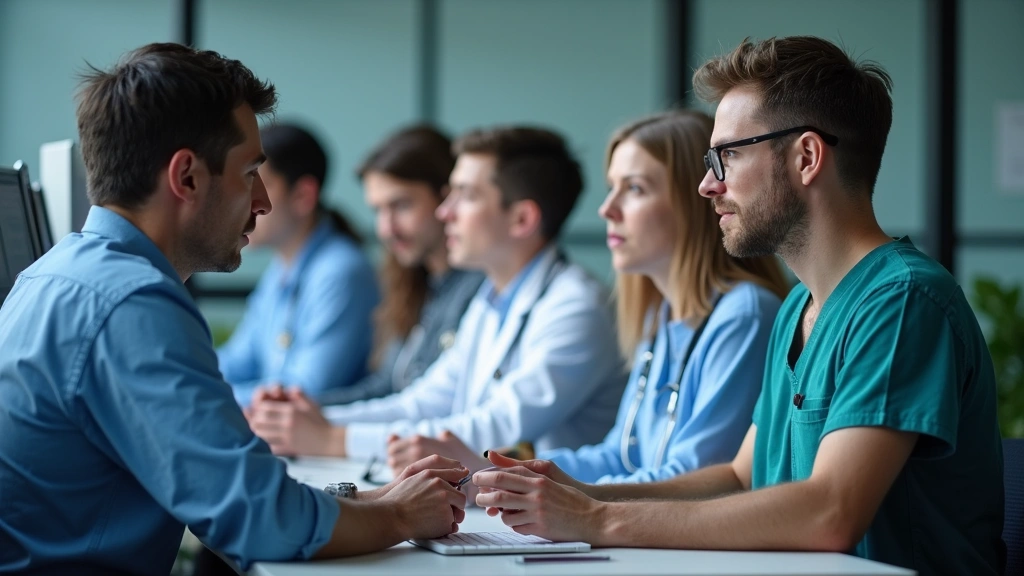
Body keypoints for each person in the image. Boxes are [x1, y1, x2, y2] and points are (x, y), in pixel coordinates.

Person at [472, 36, 1005, 576]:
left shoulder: (901, 300)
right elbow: (738, 476)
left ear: (806, 157)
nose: (707, 184)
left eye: (727, 155)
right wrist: (584, 494)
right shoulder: (800, 304)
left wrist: (597, 520)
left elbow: (831, 512)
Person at [0, 43, 465, 575]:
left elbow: (230, 490)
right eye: (249, 172)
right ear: (188, 177)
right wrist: (402, 516)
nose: (263, 201)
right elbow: (258, 518)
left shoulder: (51, 273)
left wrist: (373, 502)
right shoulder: (132, 302)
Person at [246, 126, 626, 472]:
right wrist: (321, 422)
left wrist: (332, 439)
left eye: (466, 196)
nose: (446, 213)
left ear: (522, 219)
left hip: (557, 532)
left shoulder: (576, 307)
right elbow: (423, 402)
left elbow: (490, 428)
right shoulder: (491, 299)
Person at [525, 110, 789, 484]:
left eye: (634, 189)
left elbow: (696, 479)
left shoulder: (744, 315)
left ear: (695, 201)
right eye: (611, 187)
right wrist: (509, 473)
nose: (606, 210)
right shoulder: (662, 316)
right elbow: (620, 457)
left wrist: (569, 498)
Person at [315, 125, 484, 406]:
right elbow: (385, 388)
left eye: (401, 206)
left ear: (448, 199)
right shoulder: (413, 283)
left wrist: (328, 427)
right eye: (378, 210)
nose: (386, 229)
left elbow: (434, 408)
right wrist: (304, 410)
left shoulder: (482, 288)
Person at [216, 122, 379, 406]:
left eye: (258, 183)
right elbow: (240, 359)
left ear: (303, 195)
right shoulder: (281, 268)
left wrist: (204, 394)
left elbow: (304, 392)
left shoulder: (340, 272)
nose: (244, 201)